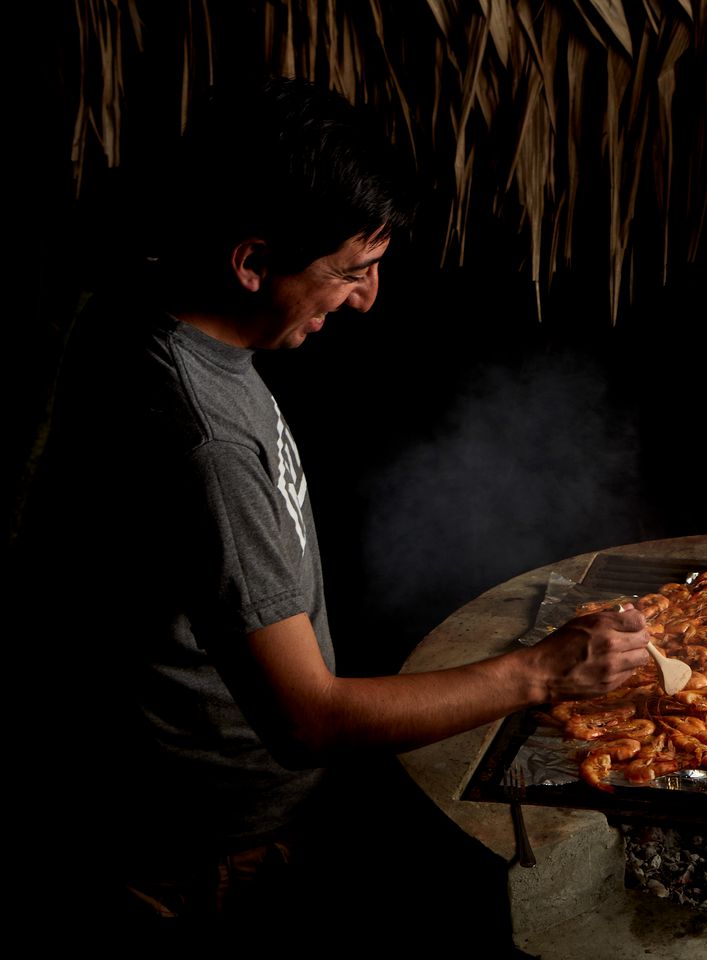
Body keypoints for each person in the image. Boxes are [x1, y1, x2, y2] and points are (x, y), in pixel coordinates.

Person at [23, 79, 651, 920]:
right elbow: (308, 721)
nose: (366, 299)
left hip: (190, 821)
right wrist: (542, 671)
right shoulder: (201, 434)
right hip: (200, 855)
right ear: (250, 262)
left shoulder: (139, 305)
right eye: (350, 272)